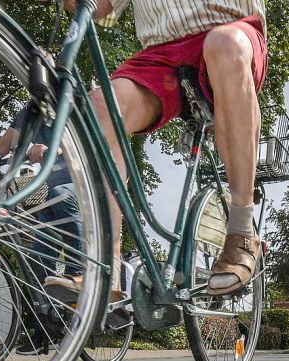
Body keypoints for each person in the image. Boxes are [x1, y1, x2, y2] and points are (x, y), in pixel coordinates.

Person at [63, 0, 269, 298]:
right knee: (102, 106)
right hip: (161, 52)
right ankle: (107, 267)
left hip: (232, 30)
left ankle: (241, 231)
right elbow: (103, 6)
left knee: (224, 44)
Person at [0, 108, 82, 355]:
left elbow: (83, 142)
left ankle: (81, 281)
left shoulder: (70, 103)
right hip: (54, 200)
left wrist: (55, 148)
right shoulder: (31, 113)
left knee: (59, 196)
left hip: (84, 192)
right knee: (36, 256)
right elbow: (2, 144)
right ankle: (47, 326)